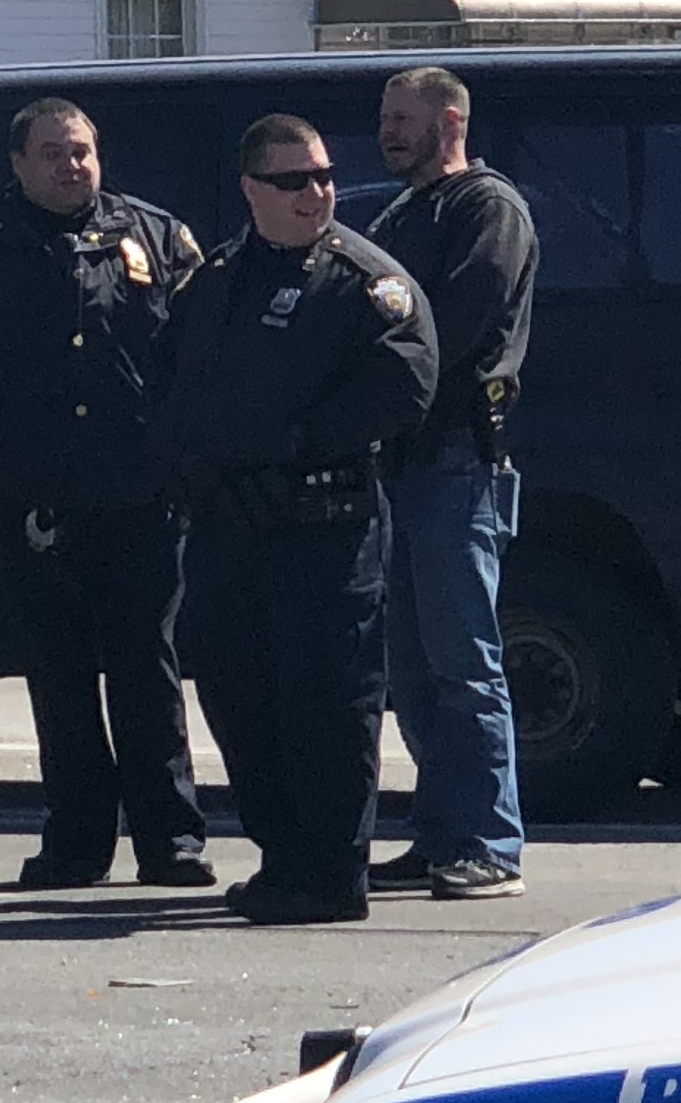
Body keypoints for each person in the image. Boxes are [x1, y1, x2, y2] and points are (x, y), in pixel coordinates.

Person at [0, 96, 212, 890]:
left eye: (81, 151)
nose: (70, 165)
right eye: (52, 154)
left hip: (139, 495)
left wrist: (175, 453)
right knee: (60, 675)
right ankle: (76, 841)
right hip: (31, 501)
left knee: (147, 670)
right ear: (16, 164)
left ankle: (170, 840)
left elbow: (203, 356)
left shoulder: (156, 236)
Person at [157, 115, 436, 925]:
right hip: (231, 527)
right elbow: (175, 389)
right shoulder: (214, 281)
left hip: (323, 521)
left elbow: (406, 384)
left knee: (328, 702)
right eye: (293, 181)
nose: (316, 193)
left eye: (322, 176)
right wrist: (193, 474)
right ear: (251, 190)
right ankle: (283, 859)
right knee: (244, 699)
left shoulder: (363, 281)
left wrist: (291, 446)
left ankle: (329, 874)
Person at [365, 67, 539, 902]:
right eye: (386, 118)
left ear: (451, 120)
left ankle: (489, 843)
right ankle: (439, 834)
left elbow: (454, 325)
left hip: (457, 464)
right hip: (395, 465)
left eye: (404, 118)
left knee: (467, 661)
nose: (389, 131)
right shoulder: (402, 214)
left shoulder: (488, 210)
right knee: (412, 664)